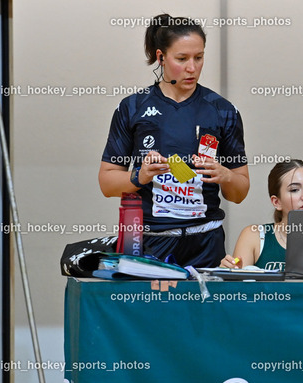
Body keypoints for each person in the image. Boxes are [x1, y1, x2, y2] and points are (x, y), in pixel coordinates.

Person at [98, 14, 249, 267]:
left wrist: (225, 175)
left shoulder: (222, 110)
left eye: (199, 57)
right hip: (151, 242)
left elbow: (239, 193)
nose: (192, 68)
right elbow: (106, 183)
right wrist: (139, 176)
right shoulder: (133, 107)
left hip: (206, 243)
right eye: (182, 59)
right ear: (161, 57)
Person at [221, 160, 303, 271]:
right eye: (294, 190)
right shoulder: (254, 235)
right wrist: (228, 272)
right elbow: (238, 280)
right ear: (277, 202)